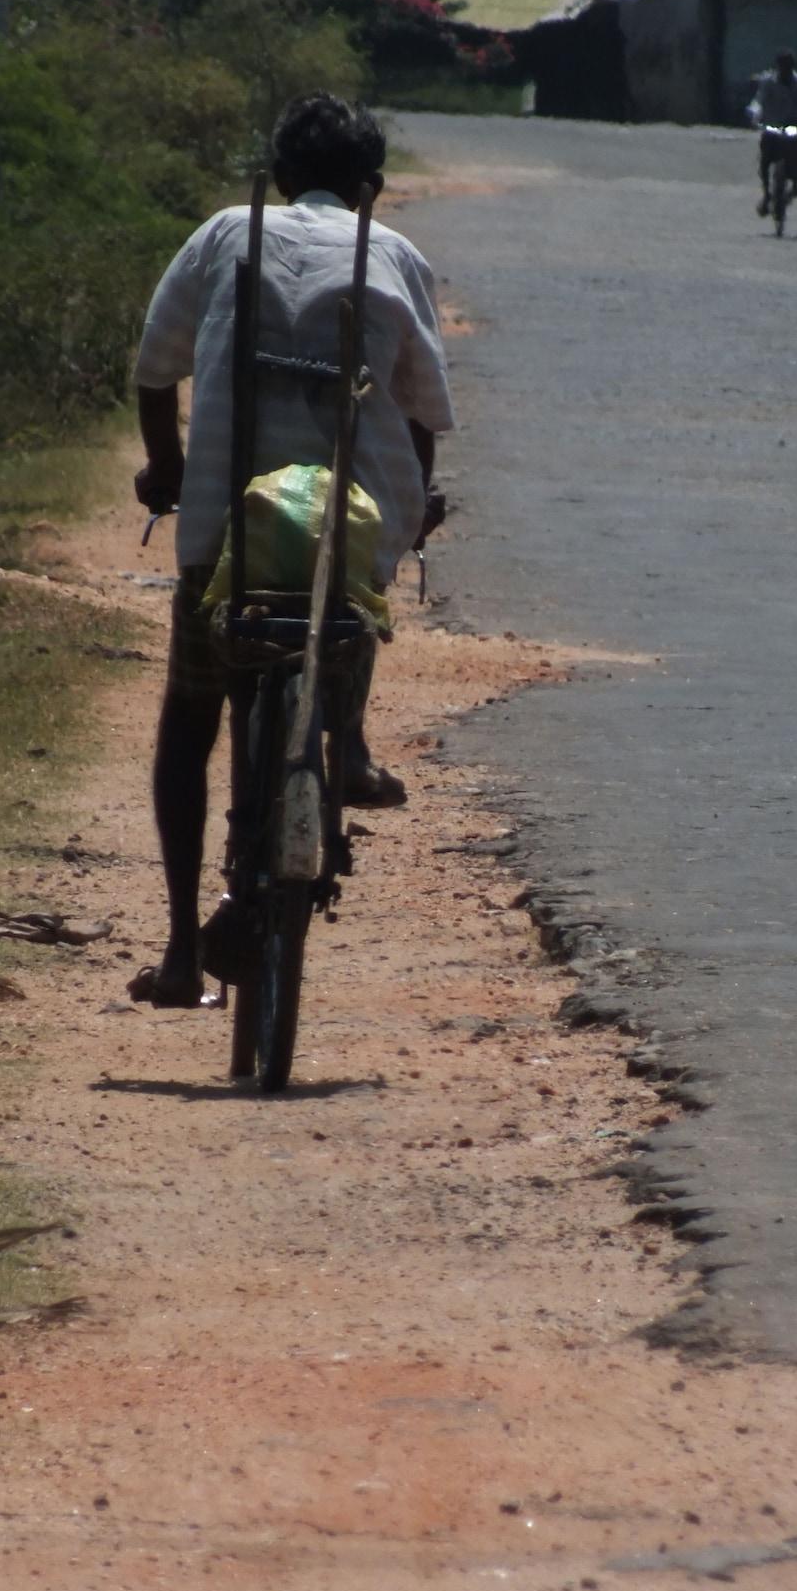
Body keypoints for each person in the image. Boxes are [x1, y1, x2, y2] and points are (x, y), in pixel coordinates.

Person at [129, 91, 455, 1007]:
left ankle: (182, 951)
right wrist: (411, 509)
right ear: (372, 189)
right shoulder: (392, 254)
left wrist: (167, 466)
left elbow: (156, 370)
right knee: (345, 607)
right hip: (345, 530)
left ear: (277, 179)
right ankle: (343, 737)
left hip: (222, 526)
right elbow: (425, 414)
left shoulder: (225, 232)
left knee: (189, 721)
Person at [749, 49, 797, 214]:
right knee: (765, 159)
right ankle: (767, 194)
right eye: (782, 66)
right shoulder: (768, 82)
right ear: (778, 66)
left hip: (793, 126)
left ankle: (796, 184)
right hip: (772, 126)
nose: (785, 70)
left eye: (788, 67)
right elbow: (758, 101)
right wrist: (754, 114)